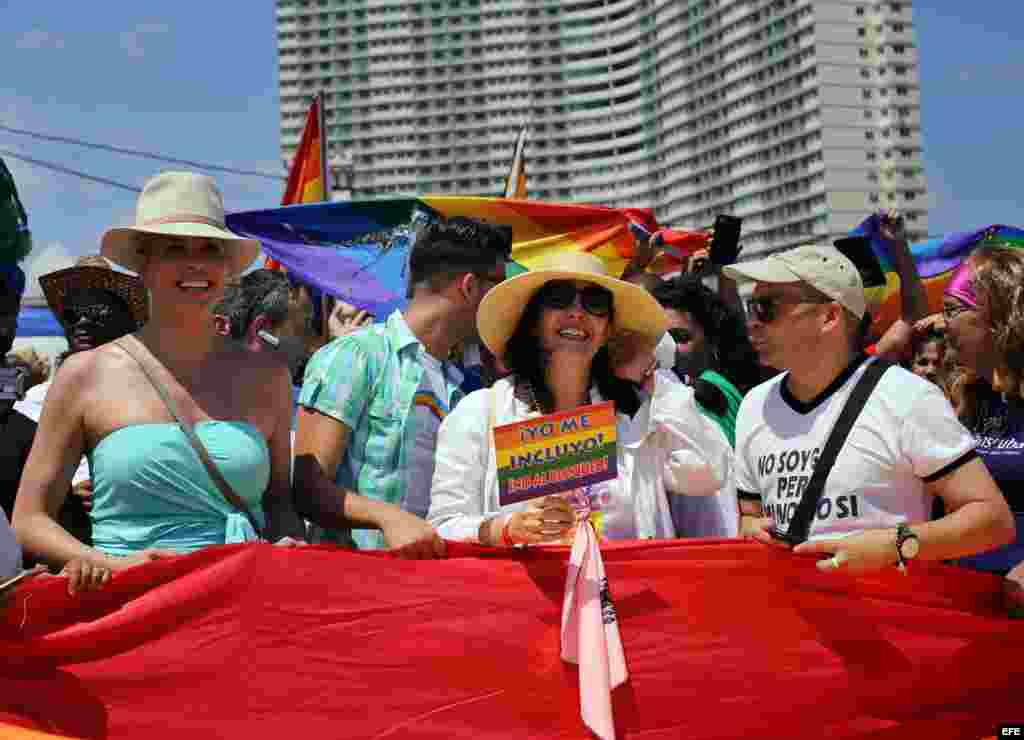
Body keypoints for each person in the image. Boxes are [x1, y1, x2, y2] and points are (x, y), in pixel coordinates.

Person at [14, 171, 306, 587]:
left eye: (210, 248)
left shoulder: (269, 376)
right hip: (133, 612)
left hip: (245, 606)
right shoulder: (84, 376)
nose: (194, 262)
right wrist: (106, 564)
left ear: (227, 267)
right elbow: (29, 518)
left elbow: (280, 504)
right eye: (174, 248)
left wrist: (287, 539)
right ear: (143, 264)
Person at [724, 245, 1014, 574]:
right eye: (751, 307)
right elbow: (748, 515)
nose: (752, 323)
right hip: (790, 618)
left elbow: (992, 520)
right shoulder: (754, 405)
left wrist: (895, 545)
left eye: (766, 308)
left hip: (890, 618)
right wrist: (749, 528)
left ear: (829, 316)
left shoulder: (908, 398)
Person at [427, 252, 736, 545]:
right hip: (525, 597)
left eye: (595, 303)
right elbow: (443, 526)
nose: (577, 312)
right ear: (533, 320)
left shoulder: (636, 412)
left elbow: (710, 474)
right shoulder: (479, 413)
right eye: (558, 299)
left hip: (624, 597)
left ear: (607, 329)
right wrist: (505, 529)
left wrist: (653, 381)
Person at [293, 217, 512, 555]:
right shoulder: (356, 356)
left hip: (436, 583)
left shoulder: (465, 387)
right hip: (354, 581)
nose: (504, 305)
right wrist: (387, 518)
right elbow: (307, 489)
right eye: (499, 288)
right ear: (469, 287)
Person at [942, 245, 1024, 580]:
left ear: (993, 316)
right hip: (967, 597)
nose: (943, 326)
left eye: (951, 311)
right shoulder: (966, 398)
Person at [652, 275, 767, 447]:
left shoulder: (700, 398)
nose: (667, 348)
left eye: (680, 337)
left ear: (711, 337)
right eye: (658, 339)